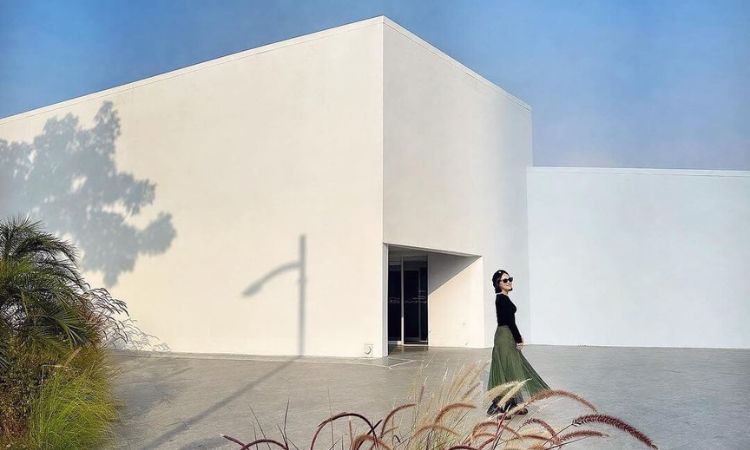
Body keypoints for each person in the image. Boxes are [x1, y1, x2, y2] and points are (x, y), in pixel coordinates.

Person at [486, 269, 550, 416]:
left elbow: (511, 321)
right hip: (504, 335)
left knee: (512, 366)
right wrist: (518, 338)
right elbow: (509, 321)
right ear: (498, 283)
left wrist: (516, 336)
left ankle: (513, 403)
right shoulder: (501, 299)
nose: (509, 282)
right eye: (505, 280)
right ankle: (497, 406)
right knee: (508, 367)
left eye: (510, 279)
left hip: (506, 334)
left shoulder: (504, 298)